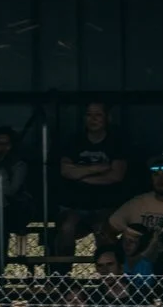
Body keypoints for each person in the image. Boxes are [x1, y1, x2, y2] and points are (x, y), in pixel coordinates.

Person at [52, 101, 131, 249]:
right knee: (66, 227)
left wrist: (81, 175)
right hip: (73, 205)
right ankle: (61, 271)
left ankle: (107, 268)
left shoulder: (117, 142)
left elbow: (116, 176)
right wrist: (98, 168)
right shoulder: (73, 141)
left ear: (107, 118)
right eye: (89, 115)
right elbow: (66, 171)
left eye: (98, 115)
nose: (93, 119)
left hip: (104, 205)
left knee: (102, 229)